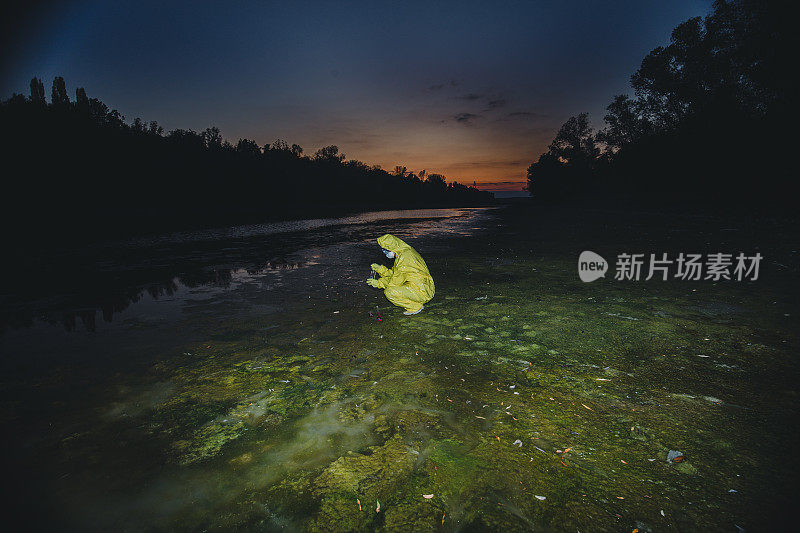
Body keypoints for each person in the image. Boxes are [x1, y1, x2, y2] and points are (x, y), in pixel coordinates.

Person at [366, 234, 435, 315]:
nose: (385, 253)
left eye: (386, 250)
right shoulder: (404, 253)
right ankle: (416, 304)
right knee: (392, 285)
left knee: (390, 292)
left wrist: (379, 283)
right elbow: (395, 274)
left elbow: (395, 282)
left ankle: (415, 307)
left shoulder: (404, 258)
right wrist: (380, 269)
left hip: (421, 291)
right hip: (425, 287)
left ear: (392, 248)